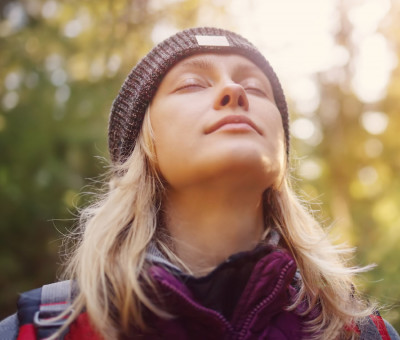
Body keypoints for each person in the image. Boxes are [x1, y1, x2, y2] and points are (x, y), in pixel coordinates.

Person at [1, 27, 399, 340]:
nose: (235, 91)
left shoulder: (358, 332)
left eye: (257, 88)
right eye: (192, 84)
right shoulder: (41, 331)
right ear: (144, 145)